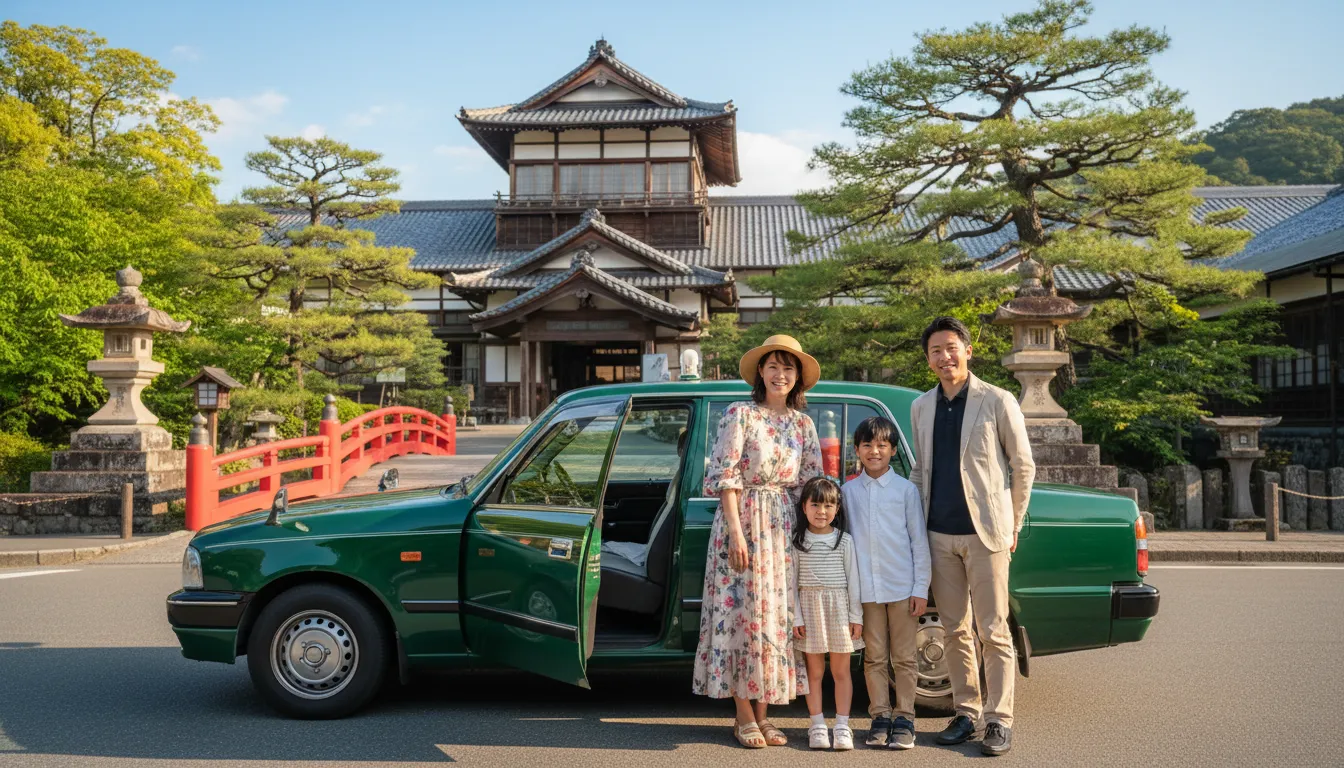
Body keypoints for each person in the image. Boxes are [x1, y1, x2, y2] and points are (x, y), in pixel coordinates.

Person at [692, 334, 825, 749]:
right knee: (740, 618)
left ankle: (765, 714)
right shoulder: (741, 414)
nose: (780, 374)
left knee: (772, 621)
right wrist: (736, 533)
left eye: (789, 367)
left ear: (797, 377)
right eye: (773, 366)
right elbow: (726, 477)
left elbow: (810, 483)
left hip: (784, 528)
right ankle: (743, 714)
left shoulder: (803, 423)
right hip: (744, 522)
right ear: (761, 373)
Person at [911, 316, 1035, 757]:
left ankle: (999, 720)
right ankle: (967, 712)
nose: (944, 357)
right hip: (939, 534)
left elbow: (1023, 466)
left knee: (993, 629)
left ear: (967, 350)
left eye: (951, 347)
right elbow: (921, 470)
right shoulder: (921, 406)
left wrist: (1014, 524)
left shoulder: (998, 400)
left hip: (986, 534)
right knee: (953, 628)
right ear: (928, 360)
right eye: (935, 351)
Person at [841, 415, 930, 750]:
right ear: (857, 450)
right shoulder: (848, 492)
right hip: (866, 590)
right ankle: (879, 716)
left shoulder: (906, 491)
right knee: (874, 656)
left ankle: (905, 717)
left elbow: (919, 542)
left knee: (904, 657)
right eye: (867, 445)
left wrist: (920, 588)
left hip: (902, 588)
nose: (874, 451)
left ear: (892, 450)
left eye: (882, 445)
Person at [789, 476, 863, 751]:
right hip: (810, 611)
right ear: (804, 507)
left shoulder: (844, 541)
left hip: (839, 610)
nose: (822, 511)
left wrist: (857, 616)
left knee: (842, 671)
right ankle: (817, 725)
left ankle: (843, 725)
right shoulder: (797, 542)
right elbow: (792, 584)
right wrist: (796, 617)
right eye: (816, 504)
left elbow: (854, 580)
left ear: (837, 509)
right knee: (815, 671)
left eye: (828, 505)